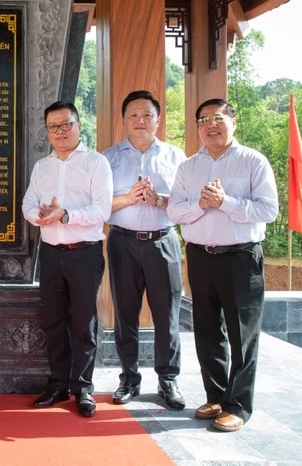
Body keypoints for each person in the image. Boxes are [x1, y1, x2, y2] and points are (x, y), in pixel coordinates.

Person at [167, 98, 278, 432]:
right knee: (207, 329)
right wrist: (202, 205)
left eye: (217, 118)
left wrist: (225, 202)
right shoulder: (188, 167)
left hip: (240, 257)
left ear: (233, 121)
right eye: (203, 120)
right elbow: (174, 212)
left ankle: (239, 405)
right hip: (201, 256)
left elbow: (268, 210)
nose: (210, 125)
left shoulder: (252, 162)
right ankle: (215, 395)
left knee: (242, 334)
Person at [21, 101, 112, 417]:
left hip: (84, 253)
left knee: (83, 323)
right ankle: (58, 384)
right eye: (53, 127)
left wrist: (67, 215)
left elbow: (103, 209)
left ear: (78, 125)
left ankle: (83, 387)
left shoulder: (96, 163)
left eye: (65, 125)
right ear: (47, 131)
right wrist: (40, 217)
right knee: (54, 321)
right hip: (50, 254)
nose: (59, 132)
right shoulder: (42, 166)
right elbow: (28, 204)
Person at [102, 90, 186, 410]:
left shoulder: (176, 157)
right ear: (124, 120)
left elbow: (186, 205)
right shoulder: (107, 159)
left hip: (163, 240)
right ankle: (129, 377)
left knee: (167, 314)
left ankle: (168, 379)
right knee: (125, 313)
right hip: (122, 241)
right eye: (133, 115)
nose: (140, 121)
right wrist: (128, 198)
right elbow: (97, 207)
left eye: (147, 115)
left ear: (158, 119)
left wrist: (159, 200)